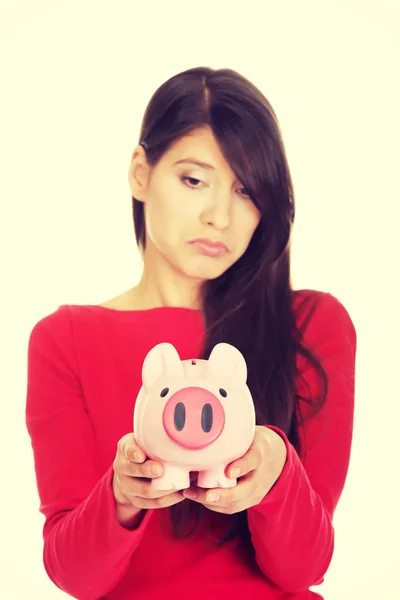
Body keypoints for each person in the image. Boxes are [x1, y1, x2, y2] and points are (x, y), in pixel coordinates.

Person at [25, 66, 357, 600]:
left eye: (246, 190)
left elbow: (304, 568)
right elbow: (76, 578)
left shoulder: (312, 325)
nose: (219, 216)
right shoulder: (64, 339)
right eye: (194, 180)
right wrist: (121, 496)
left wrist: (275, 470)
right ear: (140, 173)